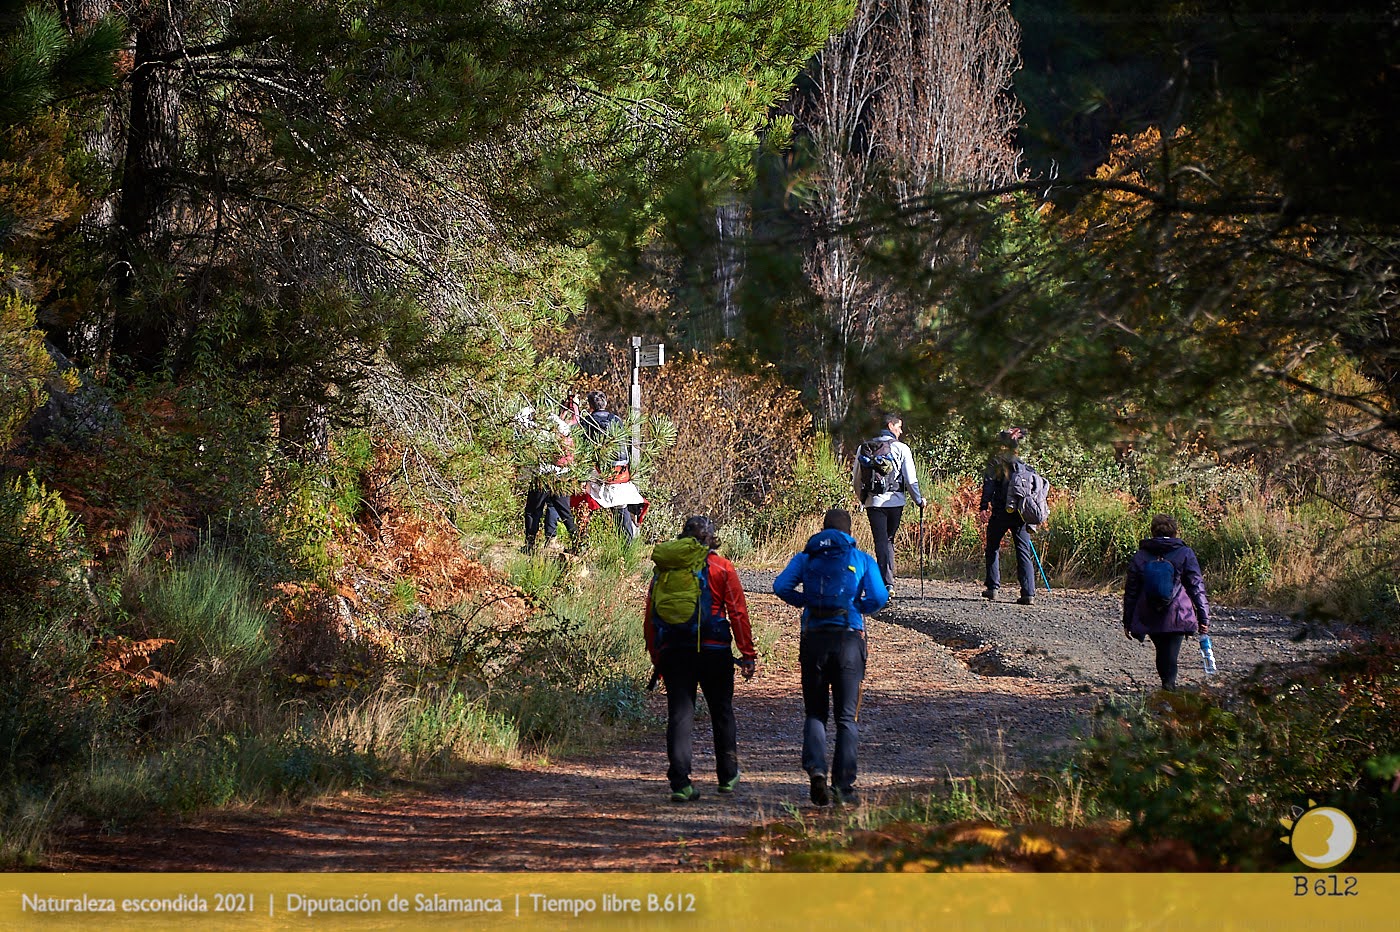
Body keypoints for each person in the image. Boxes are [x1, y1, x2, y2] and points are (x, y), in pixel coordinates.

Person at [773, 508, 888, 807]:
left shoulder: (806, 556)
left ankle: (816, 771)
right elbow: (879, 597)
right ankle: (844, 787)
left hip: (813, 640)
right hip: (849, 639)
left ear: (823, 530)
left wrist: (805, 602)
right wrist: (856, 608)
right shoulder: (860, 558)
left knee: (815, 712)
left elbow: (780, 586)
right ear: (849, 532)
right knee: (847, 717)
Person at [644, 516, 757, 801]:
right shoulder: (721, 567)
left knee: (680, 714)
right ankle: (727, 775)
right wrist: (747, 653)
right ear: (711, 539)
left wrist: (656, 654)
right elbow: (738, 613)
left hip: (674, 650)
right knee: (721, 711)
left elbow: (650, 615)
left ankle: (681, 783)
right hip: (714, 651)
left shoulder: (665, 570)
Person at [1122, 513, 1211, 689]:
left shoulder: (1141, 555)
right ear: (1175, 532)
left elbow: (1131, 591)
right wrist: (1203, 617)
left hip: (1150, 614)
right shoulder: (1185, 553)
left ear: (1152, 531)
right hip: (1177, 614)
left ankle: (1167, 689)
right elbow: (1196, 586)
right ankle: (1169, 692)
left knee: (1162, 653)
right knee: (1170, 654)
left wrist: (1128, 620)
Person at [851, 412, 925, 592]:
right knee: (888, 539)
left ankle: (887, 582)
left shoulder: (864, 448)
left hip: (874, 503)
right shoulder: (902, 448)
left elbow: (856, 479)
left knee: (881, 541)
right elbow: (910, 478)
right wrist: (918, 500)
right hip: (896, 502)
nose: (901, 431)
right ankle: (888, 581)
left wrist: (863, 499)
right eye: (899, 427)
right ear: (891, 426)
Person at [979, 427, 1036, 605]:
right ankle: (1028, 593)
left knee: (993, 547)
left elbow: (988, 486)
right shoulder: (1024, 466)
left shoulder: (995, 461)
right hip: (1020, 512)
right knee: (1023, 551)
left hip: (1001, 511)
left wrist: (983, 506)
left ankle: (993, 588)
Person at [578, 390, 642, 541]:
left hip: (598, 469)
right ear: (605, 403)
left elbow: (583, 448)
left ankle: (581, 539)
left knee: (583, 501)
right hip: (620, 470)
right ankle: (627, 544)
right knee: (620, 506)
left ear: (590, 405)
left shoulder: (587, 421)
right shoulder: (616, 420)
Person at [522, 399, 578, 553]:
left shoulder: (534, 428)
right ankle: (578, 542)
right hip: (562, 475)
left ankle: (530, 545)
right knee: (564, 511)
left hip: (542, 475)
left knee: (533, 510)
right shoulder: (560, 425)